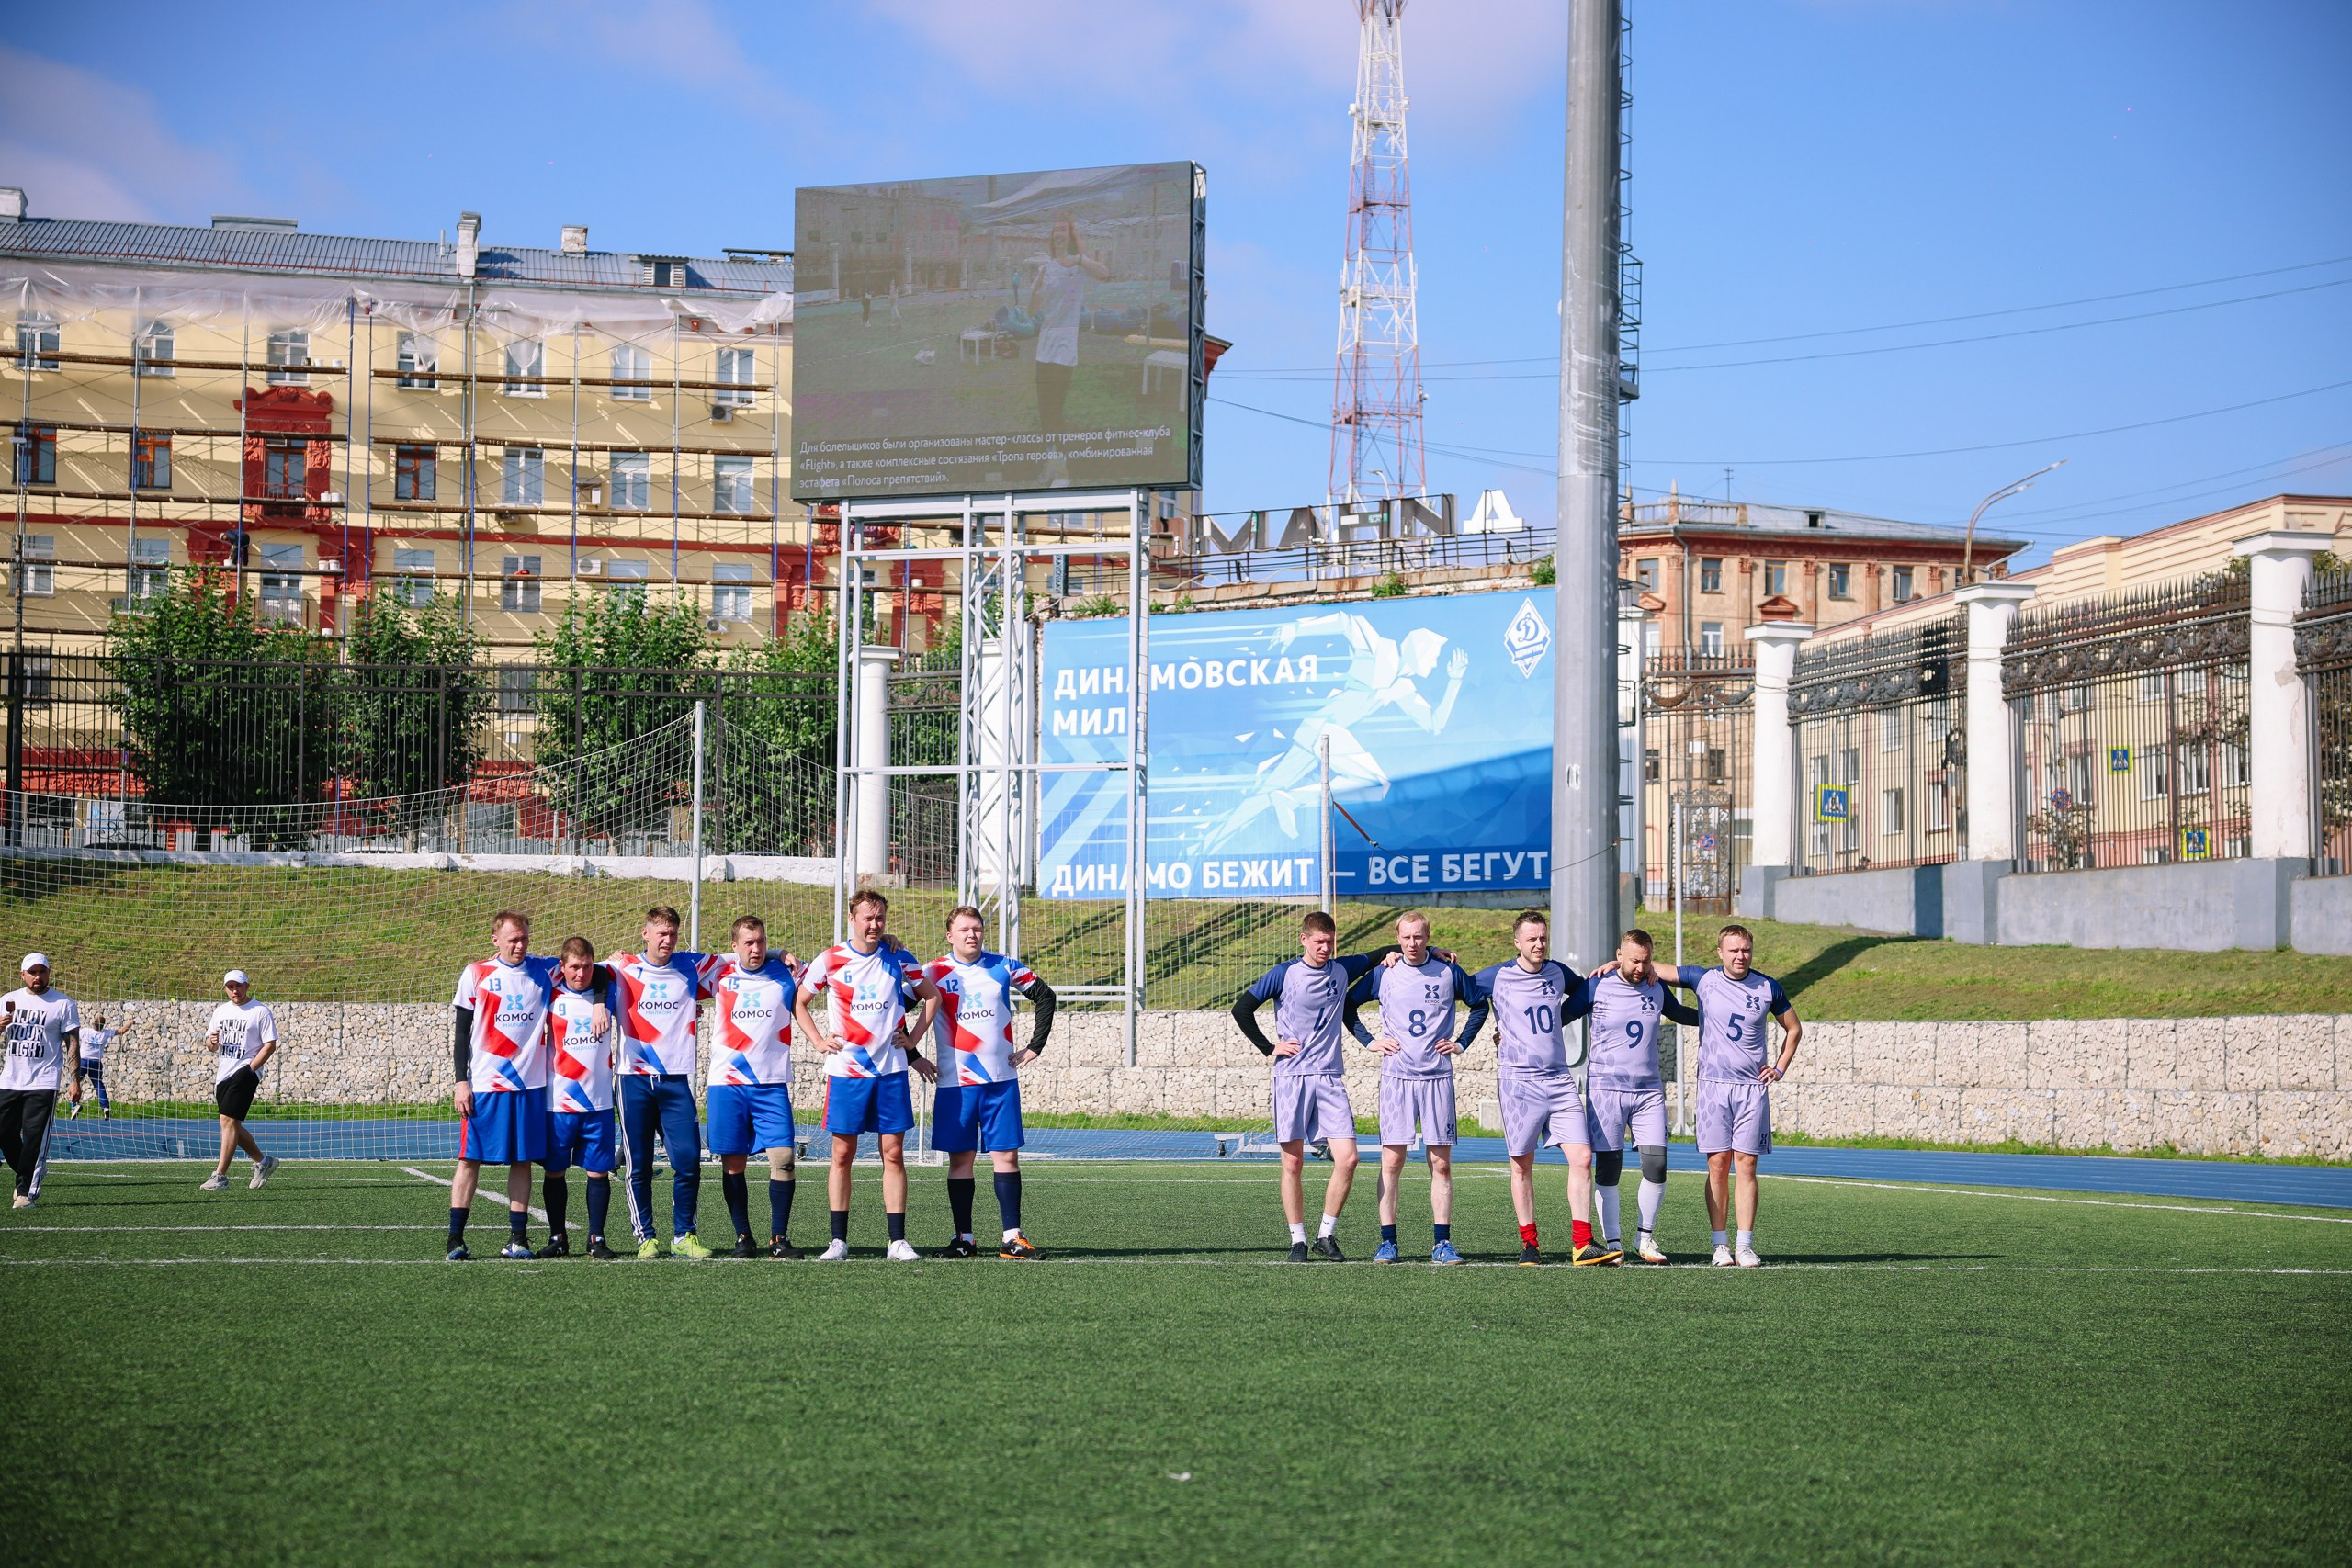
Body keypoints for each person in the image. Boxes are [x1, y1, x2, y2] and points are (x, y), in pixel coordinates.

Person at [1231, 911, 1399, 1262]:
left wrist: (1435, 952)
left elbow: (1386, 949)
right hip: (1291, 1077)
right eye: (1319, 942)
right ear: (1303, 939)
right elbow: (1242, 1008)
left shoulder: (1342, 969)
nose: (1325, 948)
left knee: (1349, 1159)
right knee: (1292, 1163)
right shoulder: (1284, 974)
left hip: (1329, 1077)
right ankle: (1297, 1240)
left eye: (1330, 942)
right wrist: (1269, 1047)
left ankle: (1326, 1234)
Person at [1459, 911, 1617, 1266]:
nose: (1538, 944)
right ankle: (1530, 1243)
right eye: (1531, 939)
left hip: (1560, 1080)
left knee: (1583, 1158)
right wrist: (1432, 954)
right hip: (1519, 1082)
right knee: (1521, 1165)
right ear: (1517, 942)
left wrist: (1611, 971)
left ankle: (1582, 1243)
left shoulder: (1557, 972)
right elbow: (1459, 987)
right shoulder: (1497, 976)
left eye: (1543, 937)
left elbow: (1584, 989)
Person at [794, 890, 941, 1261]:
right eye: (867, 918)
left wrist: (912, 1041)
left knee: (893, 1153)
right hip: (847, 1071)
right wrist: (817, 1039)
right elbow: (799, 1001)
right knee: (842, 1153)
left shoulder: (897, 956)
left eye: (880, 918)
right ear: (852, 918)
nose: (874, 925)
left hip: (890, 1071)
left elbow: (932, 996)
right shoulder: (830, 959)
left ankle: (896, 1241)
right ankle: (838, 1241)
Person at [1651, 924, 1803, 1268]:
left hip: (1751, 1089)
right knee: (1718, 1164)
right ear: (1720, 952)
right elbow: (1654, 967)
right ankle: (1720, 1245)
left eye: (1746, 949)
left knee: (1747, 1164)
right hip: (1713, 1088)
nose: (1740, 956)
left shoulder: (1767, 987)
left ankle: (1745, 1245)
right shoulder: (1703, 979)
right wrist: (1618, 963)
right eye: (1733, 950)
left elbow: (1793, 1028)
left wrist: (1779, 1068)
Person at [1343, 911, 1480, 1265]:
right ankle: (1388, 1242)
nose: (1412, 944)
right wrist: (1370, 1041)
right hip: (1397, 1078)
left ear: (1428, 937)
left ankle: (1442, 1243)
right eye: (1406, 938)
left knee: (1441, 1165)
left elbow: (1480, 1004)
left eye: (1419, 937)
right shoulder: (1384, 972)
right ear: (1398, 937)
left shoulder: (1447, 971)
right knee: (1392, 1161)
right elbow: (1348, 1005)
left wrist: (1461, 1043)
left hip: (1436, 1078)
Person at [925, 905, 1057, 1260]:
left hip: (1000, 1082)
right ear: (950, 935)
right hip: (956, 1085)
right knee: (960, 1161)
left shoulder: (1004, 966)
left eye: (978, 929)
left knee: (1007, 1156)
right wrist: (912, 1055)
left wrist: (1035, 1047)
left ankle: (1012, 1237)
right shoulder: (933, 972)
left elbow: (1046, 997)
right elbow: (896, 1007)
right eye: (964, 929)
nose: (972, 935)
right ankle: (964, 1238)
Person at [607, 907, 718, 1260]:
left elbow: (744, 956)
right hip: (633, 1080)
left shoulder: (690, 966)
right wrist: (599, 1003)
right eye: (660, 933)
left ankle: (684, 1235)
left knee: (688, 1160)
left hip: (674, 1080)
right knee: (637, 1164)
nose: (667, 940)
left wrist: (780, 954)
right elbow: (578, 970)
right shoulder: (621, 968)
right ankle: (646, 1237)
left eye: (672, 934)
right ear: (645, 934)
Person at [1582, 930, 1700, 1264]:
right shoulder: (1597, 985)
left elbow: (1679, 1013)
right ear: (1619, 955)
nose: (1640, 967)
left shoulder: (1655, 985)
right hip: (1606, 1089)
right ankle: (1613, 1242)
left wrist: (1713, 1017)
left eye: (1646, 960)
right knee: (1609, 1168)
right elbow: (1563, 1014)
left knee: (1656, 1164)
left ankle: (1645, 1238)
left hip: (1648, 1090)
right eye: (1634, 960)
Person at [448, 911, 559, 1261]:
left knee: (522, 1161)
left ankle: (518, 1238)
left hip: (529, 1086)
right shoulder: (476, 974)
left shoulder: (544, 971)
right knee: (469, 1160)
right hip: (485, 1085)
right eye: (513, 939)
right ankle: (455, 1239)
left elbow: (582, 965)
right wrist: (460, 1081)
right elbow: (461, 1034)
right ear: (495, 939)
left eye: (524, 938)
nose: (520, 945)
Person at [704, 915, 804, 1260]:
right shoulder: (718, 974)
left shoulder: (786, 974)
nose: (756, 948)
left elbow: (829, 971)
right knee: (734, 1163)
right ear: (734, 947)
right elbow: (674, 964)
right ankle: (743, 1236)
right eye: (748, 943)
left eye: (761, 942)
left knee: (785, 1159)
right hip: (727, 1083)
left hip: (770, 1083)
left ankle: (779, 1237)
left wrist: (891, 943)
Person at [538, 937, 617, 1260]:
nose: (581, 973)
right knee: (554, 1171)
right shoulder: (550, 996)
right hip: (559, 1103)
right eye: (574, 967)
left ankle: (596, 1238)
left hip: (598, 1102)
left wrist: (600, 1001)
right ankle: (558, 1237)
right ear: (562, 967)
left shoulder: (610, 992)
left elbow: (608, 971)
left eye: (586, 967)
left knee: (598, 1172)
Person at [1026, 212, 1111, 474]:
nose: (1058, 234)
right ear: (1051, 238)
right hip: (1044, 349)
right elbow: (1031, 311)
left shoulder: (1079, 266)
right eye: (1055, 231)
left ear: (1070, 236)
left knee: (1056, 408)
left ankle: (1060, 465)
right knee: (1045, 409)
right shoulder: (1046, 268)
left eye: (1063, 230)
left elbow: (1105, 274)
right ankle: (1051, 459)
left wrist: (1080, 258)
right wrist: (1035, 288)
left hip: (1065, 350)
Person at [1, 954, 78, 1210]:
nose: (38, 977)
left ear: (48, 973)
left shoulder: (63, 1003)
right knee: (3, 1133)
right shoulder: (7, 1001)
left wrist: (74, 1080)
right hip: (11, 1079)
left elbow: (72, 1044)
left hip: (43, 1082)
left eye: (42, 972)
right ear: (22, 974)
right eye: (32, 972)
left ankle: (24, 1193)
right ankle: (29, 1169)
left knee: (33, 1138)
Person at [201, 971, 281, 1193]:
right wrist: (212, 1042)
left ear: (247, 986)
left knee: (226, 1120)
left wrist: (251, 1069)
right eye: (230, 987)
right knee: (232, 1125)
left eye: (238, 986)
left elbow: (270, 1044)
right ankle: (264, 1162)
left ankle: (220, 1176)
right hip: (224, 1074)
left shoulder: (260, 1011)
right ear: (225, 989)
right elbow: (210, 1044)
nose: (235, 990)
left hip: (245, 1072)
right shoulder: (220, 1011)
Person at [69, 1010, 131, 1120]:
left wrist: (62, 1045)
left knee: (74, 1082)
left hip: (83, 1061)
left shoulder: (85, 1031)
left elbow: (72, 1038)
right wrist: (130, 1022)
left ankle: (74, 1105)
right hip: (96, 1062)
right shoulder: (105, 1033)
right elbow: (122, 1030)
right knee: (98, 1084)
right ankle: (105, 1107)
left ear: (93, 1024)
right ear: (102, 1026)